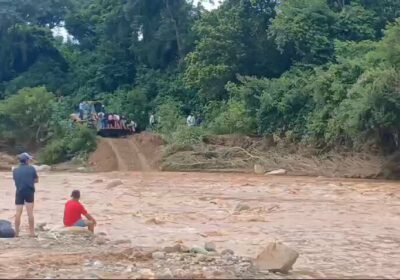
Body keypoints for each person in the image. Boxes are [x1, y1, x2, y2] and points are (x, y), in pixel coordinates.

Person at [13, 152, 38, 237]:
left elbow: (16, 180)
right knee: (30, 213)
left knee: (18, 213)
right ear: (27, 160)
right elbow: (36, 180)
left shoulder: (15, 170)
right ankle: (32, 233)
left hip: (19, 192)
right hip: (29, 192)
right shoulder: (32, 169)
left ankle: (16, 233)